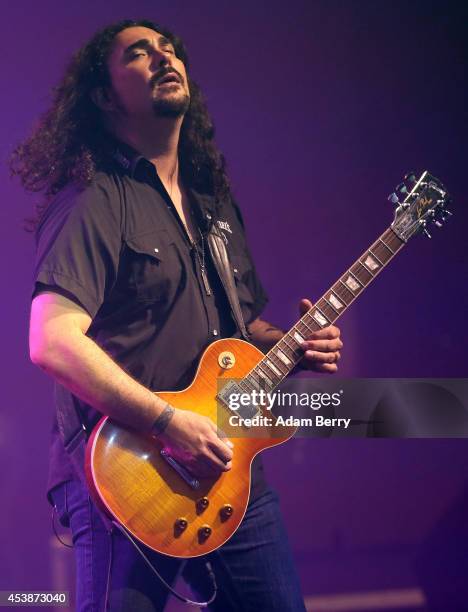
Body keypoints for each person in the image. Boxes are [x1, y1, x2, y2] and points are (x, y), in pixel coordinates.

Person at [12, 19, 343, 611]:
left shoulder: (212, 202)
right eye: (139, 54)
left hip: (230, 471)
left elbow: (236, 331)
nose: (164, 59)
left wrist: (294, 346)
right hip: (127, 479)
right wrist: (168, 423)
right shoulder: (95, 199)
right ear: (103, 95)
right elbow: (51, 340)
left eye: (170, 50)